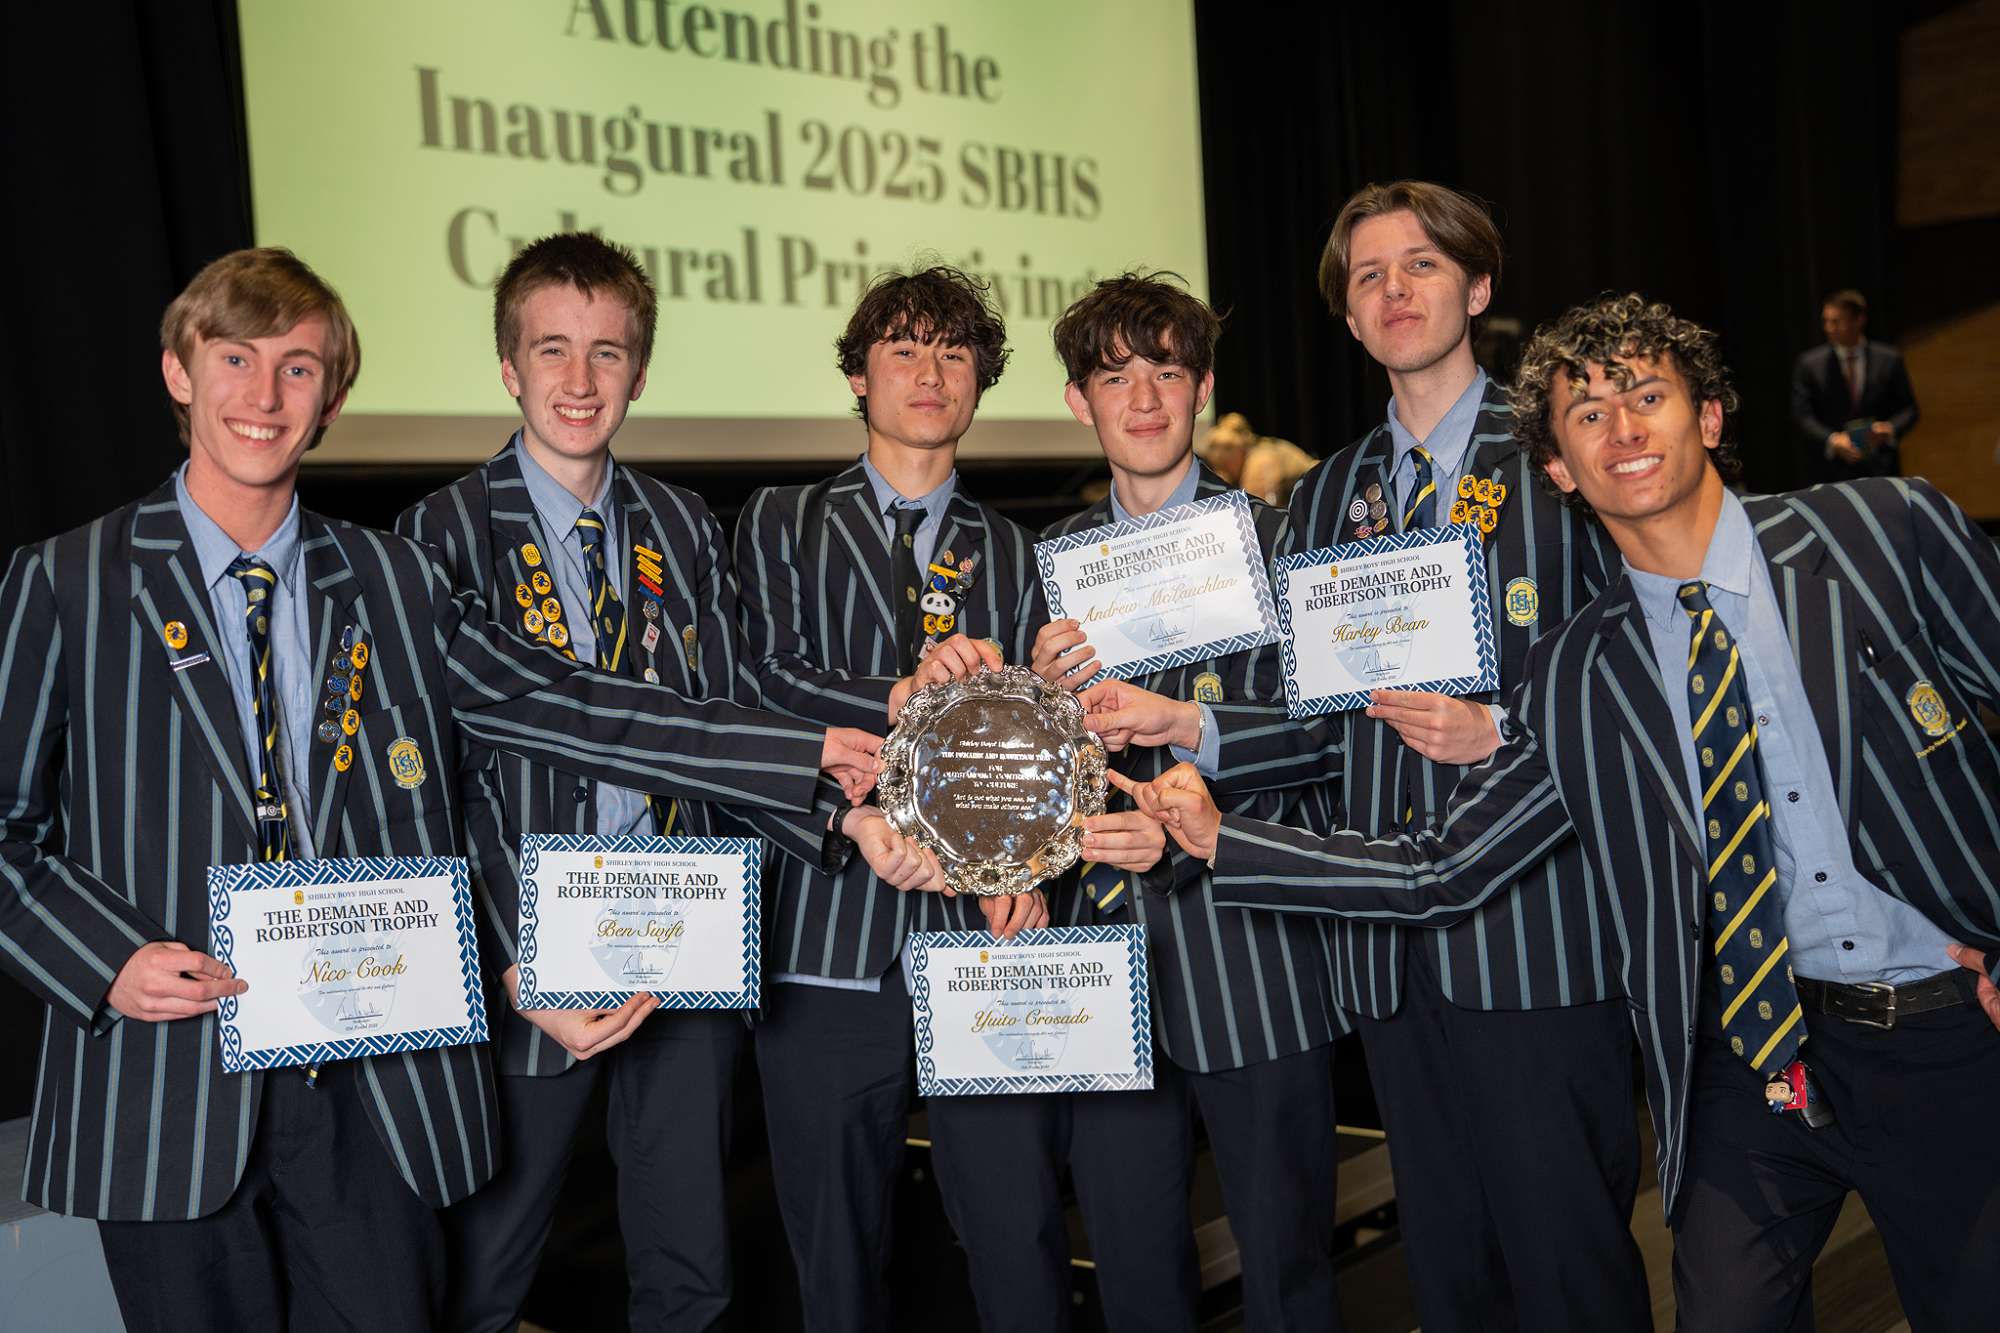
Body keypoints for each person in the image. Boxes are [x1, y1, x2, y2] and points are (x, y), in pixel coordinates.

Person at [0, 247, 880, 1333]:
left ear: (333, 398)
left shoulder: (394, 577)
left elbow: (570, 703)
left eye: (298, 368)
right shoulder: (70, 578)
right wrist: (106, 960)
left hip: (372, 1082)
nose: (264, 395)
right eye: (235, 360)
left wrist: (795, 752)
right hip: (169, 1085)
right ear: (180, 373)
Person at [1125, 292, 2000, 1332]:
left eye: (1645, 395)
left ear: (1707, 415)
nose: (1621, 428)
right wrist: (1224, 838)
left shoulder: (1879, 529)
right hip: (1748, 1054)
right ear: (1555, 467)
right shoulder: (1581, 669)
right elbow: (1441, 864)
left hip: (1944, 1031)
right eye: (1587, 413)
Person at [1080, 183, 1646, 1331]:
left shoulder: (1565, 448)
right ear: (1345, 314)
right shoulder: (1330, 491)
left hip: (1536, 940)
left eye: (1419, 265)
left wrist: (1509, 730)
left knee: (1570, 1274)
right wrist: (1183, 723)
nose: (1393, 290)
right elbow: (1312, 724)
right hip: (1389, 958)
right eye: (1368, 275)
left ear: (1476, 287)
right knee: (1450, 1282)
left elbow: (1648, 672)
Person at [396, 233, 942, 1332]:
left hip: (681, 939)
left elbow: (730, 716)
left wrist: (847, 819)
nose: (579, 379)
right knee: (482, 1278)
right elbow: (431, 787)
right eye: (552, 349)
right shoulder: (437, 533)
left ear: (639, 373)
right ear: (507, 367)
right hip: (527, 966)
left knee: (692, 1276)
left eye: (607, 352)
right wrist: (507, 959)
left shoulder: (684, 525)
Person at [735, 265, 1157, 1332]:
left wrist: (1032, 863)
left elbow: (1042, 742)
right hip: (824, 944)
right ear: (857, 376)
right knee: (837, 1262)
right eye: (903, 350)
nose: (929, 372)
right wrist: (900, 694)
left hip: (985, 940)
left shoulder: (1018, 551)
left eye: (954, 353)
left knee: (1019, 1241)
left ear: (978, 383)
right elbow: (759, 684)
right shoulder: (780, 521)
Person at [986, 271, 1344, 1332]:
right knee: (1136, 1280)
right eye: (1114, 377)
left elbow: (1333, 735)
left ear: (1203, 388)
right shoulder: (1046, 567)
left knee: (1288, 1276)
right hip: (1100, 966)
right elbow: (1017, 773)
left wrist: (1189, 724)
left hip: (1255, 960)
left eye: (1166, 372)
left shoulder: (1283, 539)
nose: (1142, 398)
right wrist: (1039, 714)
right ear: (1078, 402)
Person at [1790, 288, 1920, 483]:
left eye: (1836, 322)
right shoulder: (1809, 364)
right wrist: (1832, 439)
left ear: (1859, 320)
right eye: (1826, 321)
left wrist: (1889, 428)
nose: (1828, 328)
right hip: (1831, 473)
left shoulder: (1889, 358)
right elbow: (1801, 416)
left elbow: (1910, 409)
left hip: (1881, 468)